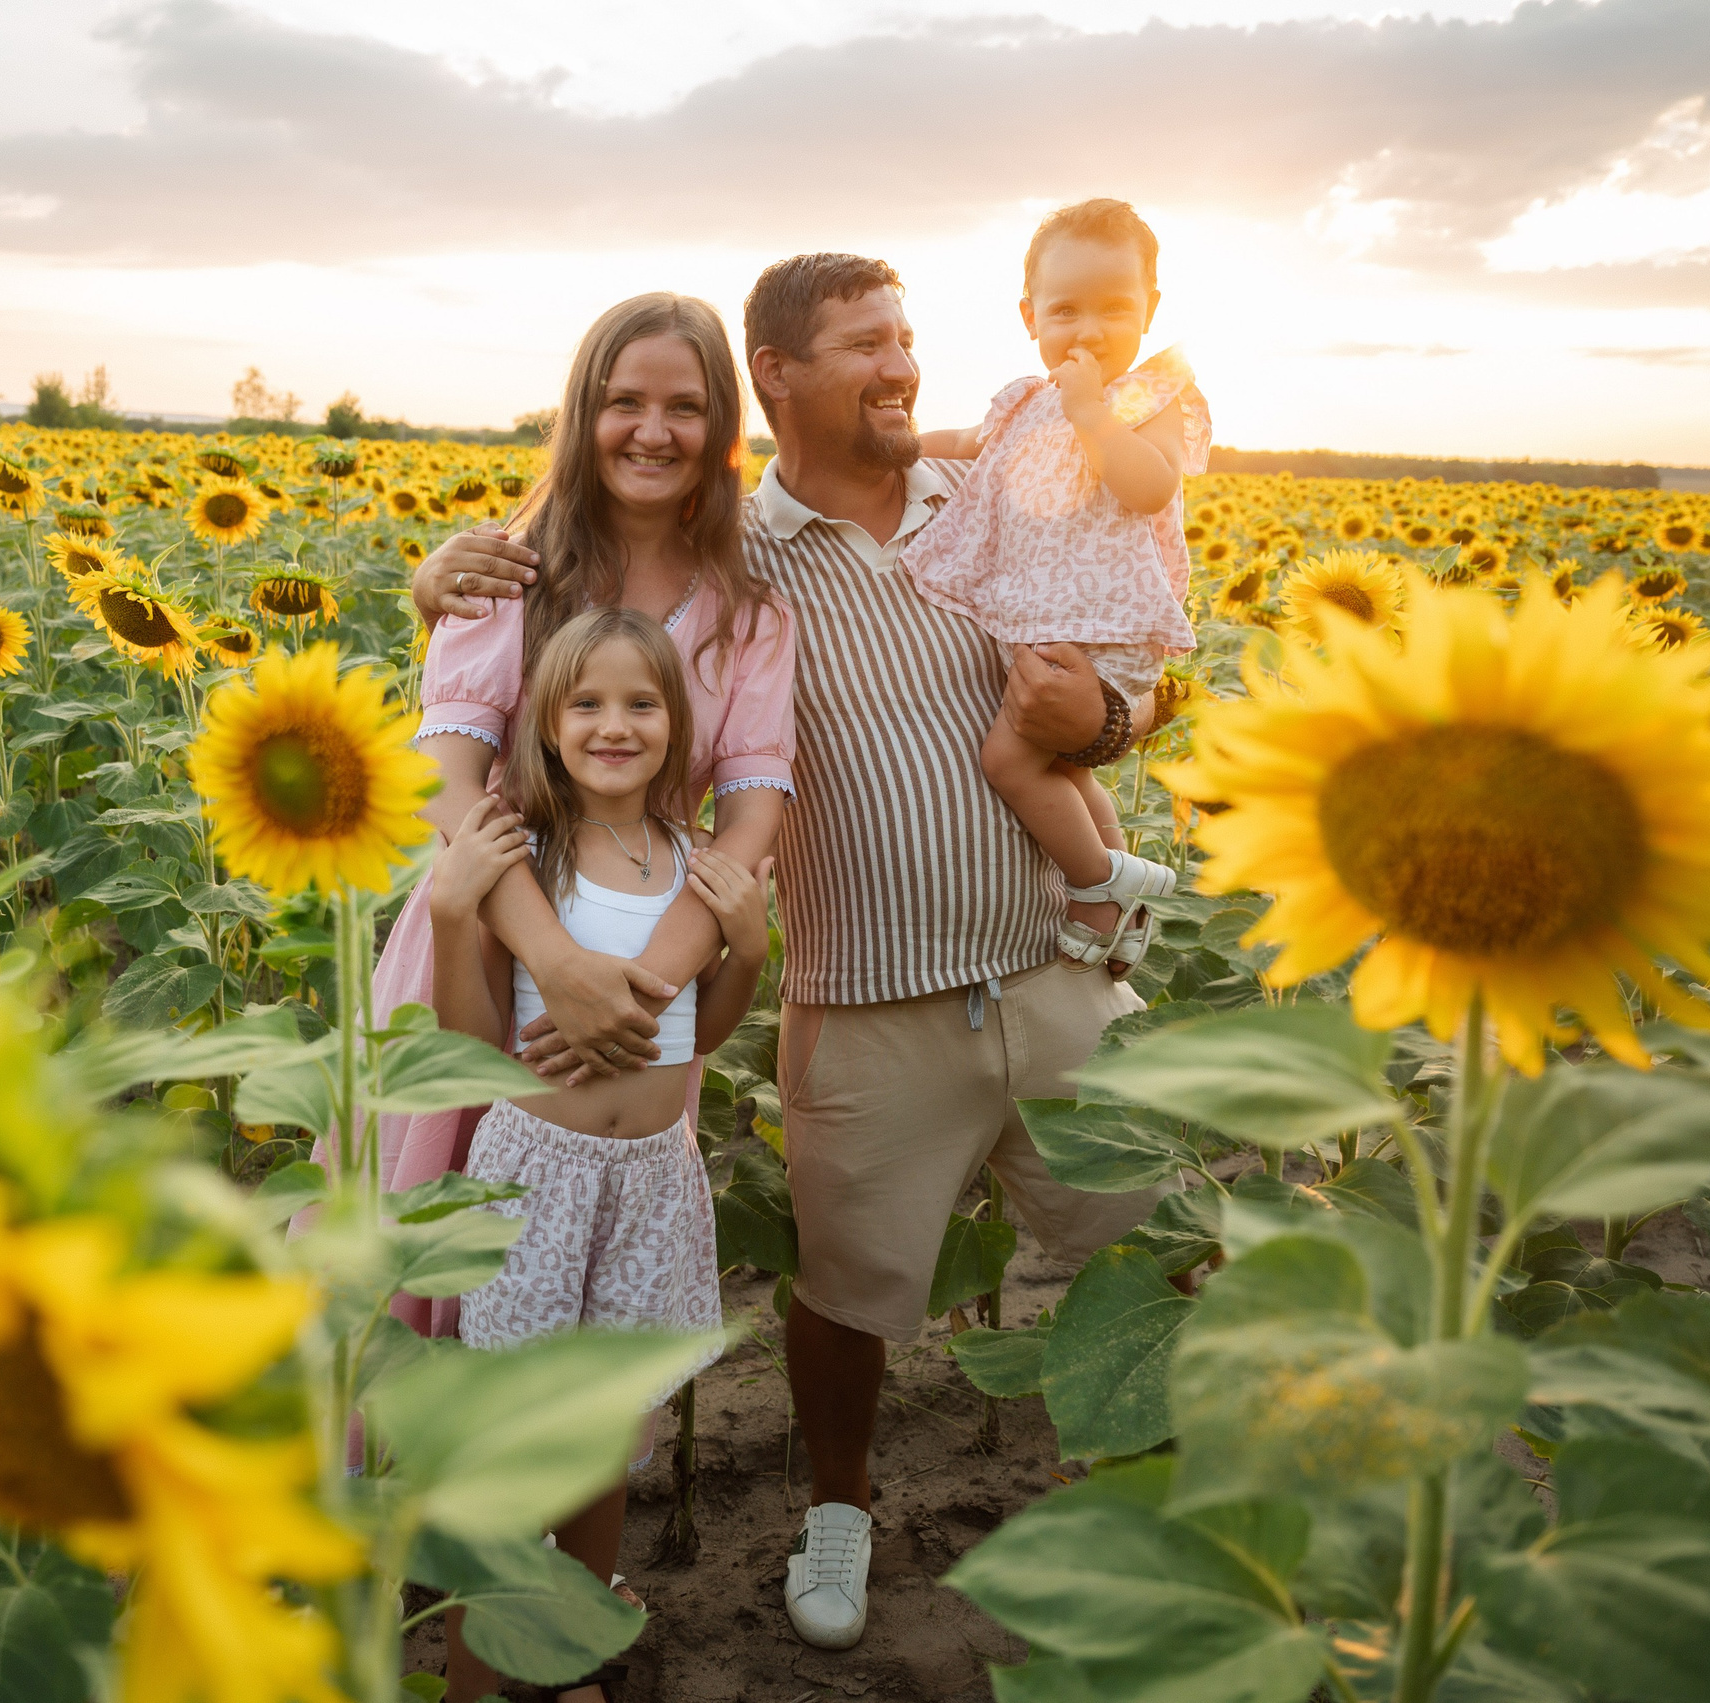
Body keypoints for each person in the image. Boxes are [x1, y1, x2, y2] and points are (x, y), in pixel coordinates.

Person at [412, 253, 1166, 1654]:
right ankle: (834, 1508)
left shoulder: (998, 493)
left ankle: (1164, 1515)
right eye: (865, 344)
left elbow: (1133, 633)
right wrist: (431, 575)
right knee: (841, 1280)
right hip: (865, 980)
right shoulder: (735, 566)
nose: (902, 366)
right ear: (774, 376)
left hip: (1051, 957)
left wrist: (1115, 720)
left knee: (1155, 1237)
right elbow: (585, 604)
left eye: (906, 338)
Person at [368, 290, 795, 1340]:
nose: (653, 430)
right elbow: (445, 776)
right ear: (582, 411)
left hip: (650, 963)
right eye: (624, 402)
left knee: (600, 1295)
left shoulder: (749, 613)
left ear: (721, 426)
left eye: (685, 406)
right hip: (485, 937)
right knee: (432, 1257)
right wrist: (554, 958)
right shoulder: (507, 570)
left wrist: (640, 984)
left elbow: (751, 814)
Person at [428, 605, 772, 1703]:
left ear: (677, 724)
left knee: (603, 1445)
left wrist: (748, 947)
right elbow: (471, 1041)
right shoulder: (523, 855)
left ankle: (572, 1658)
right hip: (536, 1177)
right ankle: (476, 1685)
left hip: (652, 1183)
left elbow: (702, 1036)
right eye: (586, 702)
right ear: (546, 720)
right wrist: (451, 914)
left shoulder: (694, 865)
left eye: (640, 703)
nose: (613, 725)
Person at [906, 198, 1209, 973]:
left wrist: (1092, 417)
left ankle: (1095, 887)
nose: (1089, 330)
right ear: (1030, 317)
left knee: (1008, 763)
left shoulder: (1148, 397)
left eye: (1114, 308)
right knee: (1062, 770)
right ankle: (1124, 901)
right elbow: (967, 443)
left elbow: (1149, 487)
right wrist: (900, 447)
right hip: (1054, 623)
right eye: (1066, 309)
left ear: (1150, 310)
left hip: (1105, 628)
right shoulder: (1024, 400)